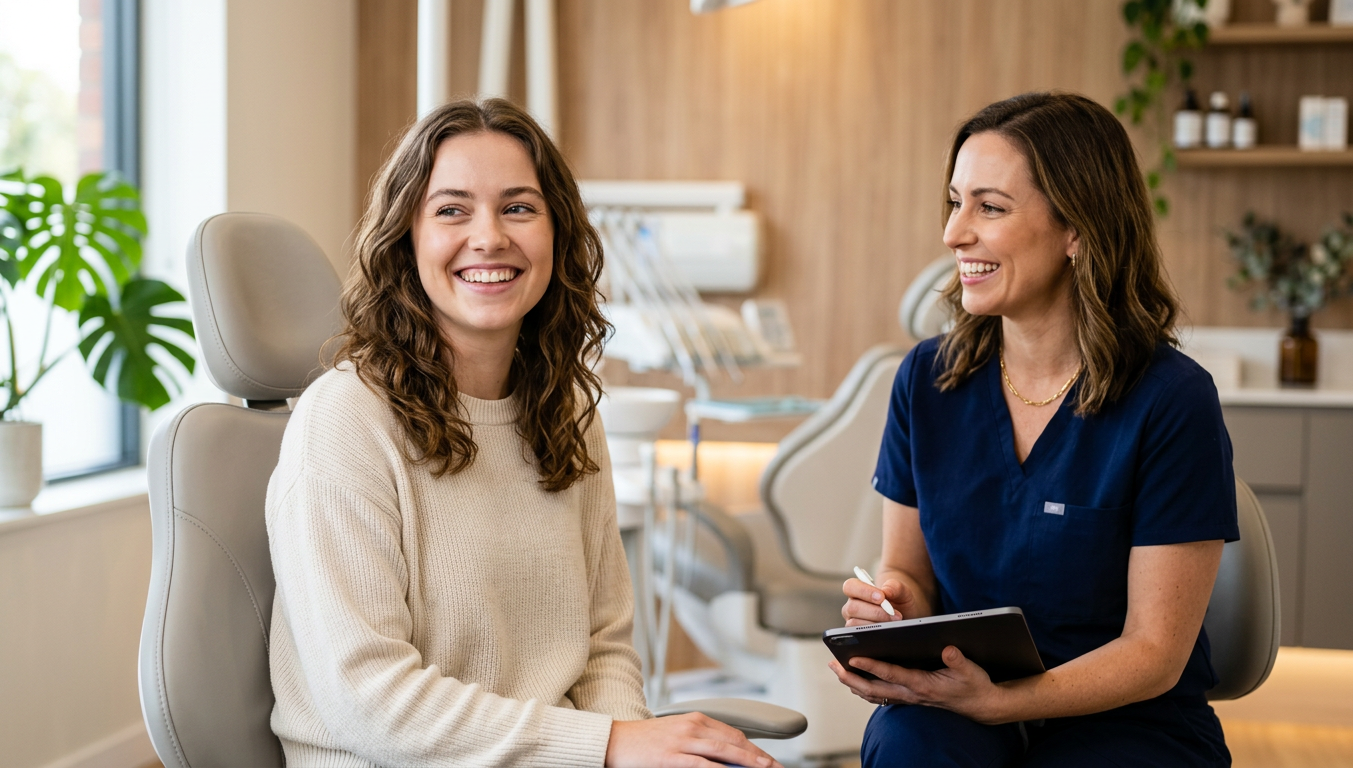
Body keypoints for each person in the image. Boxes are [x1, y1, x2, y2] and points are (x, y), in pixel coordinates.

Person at [265, 98, 781, 768]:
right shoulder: (346, 420)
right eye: (452, 209)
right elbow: (370, 700)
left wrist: (630, 746)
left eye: (518, 207)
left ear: (557, 235)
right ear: (406, 240)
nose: (490, 237)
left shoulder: (566, 414)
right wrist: (608, 745)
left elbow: (602, 650)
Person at [829, 92, 1238, 767]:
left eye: (989, 207)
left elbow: (1155, 654)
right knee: (909, 745)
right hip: (965, 703)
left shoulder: (1172, 399)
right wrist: (895, 604)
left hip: (1129, 719)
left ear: (1078, 229)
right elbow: (908, 570)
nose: (954, 233)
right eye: (956, 202)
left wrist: (1007, 702)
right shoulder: (926, 380)